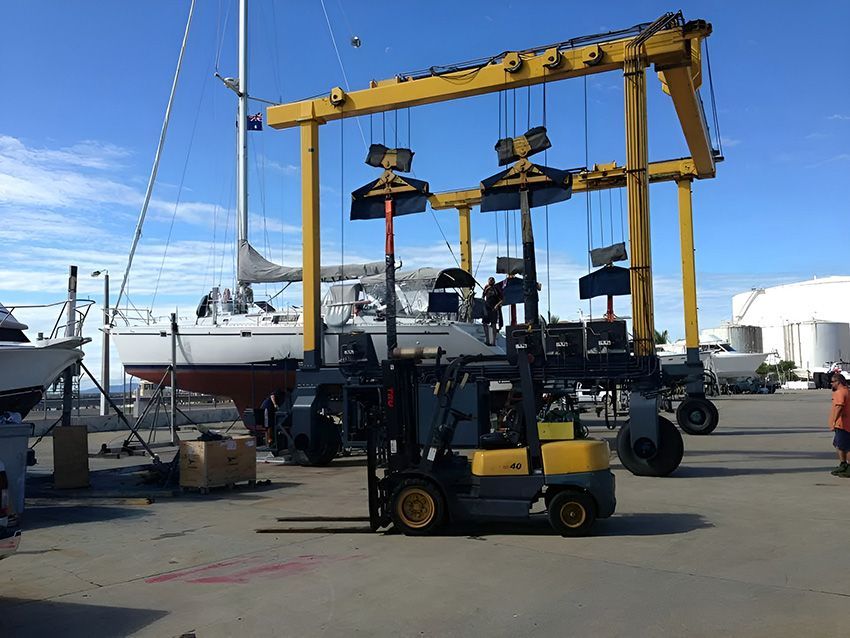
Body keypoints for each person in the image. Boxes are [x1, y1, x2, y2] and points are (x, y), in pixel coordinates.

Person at [828, 372, 850, 477]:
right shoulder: (847, 391)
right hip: (845, 423)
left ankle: (847, 466)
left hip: (842, 424)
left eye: (833, 382)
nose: (831, 384)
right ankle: (843, 464)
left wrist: (834, 421)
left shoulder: (840, 393)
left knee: (845, 446)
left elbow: (840, 407)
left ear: (838, 382)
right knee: (838, 444)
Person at [482, 276, 503, 346]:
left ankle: (493, 342)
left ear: (494, 281)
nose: (490, 282)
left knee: (494, 324)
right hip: (487, 307)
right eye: (489, 281)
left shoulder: (497, 288)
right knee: (484, 323)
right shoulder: (486, 287)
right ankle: (487, 340)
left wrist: (497, 306)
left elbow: (502, 300)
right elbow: (483, 297)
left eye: (492, 281)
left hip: (494, 308)